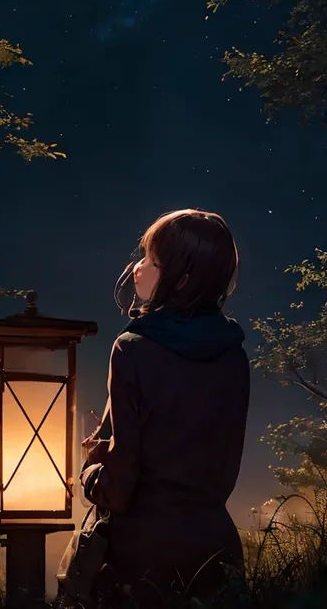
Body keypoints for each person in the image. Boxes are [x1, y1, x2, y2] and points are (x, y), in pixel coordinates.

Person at [80, 208, 250, 600]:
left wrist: (90, 472)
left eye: (153, 261)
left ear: (182, 279)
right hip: (216, 551)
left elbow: (121, 486)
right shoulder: (233, 353)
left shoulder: (133, 349)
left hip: (142, 556)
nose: (138, 267)